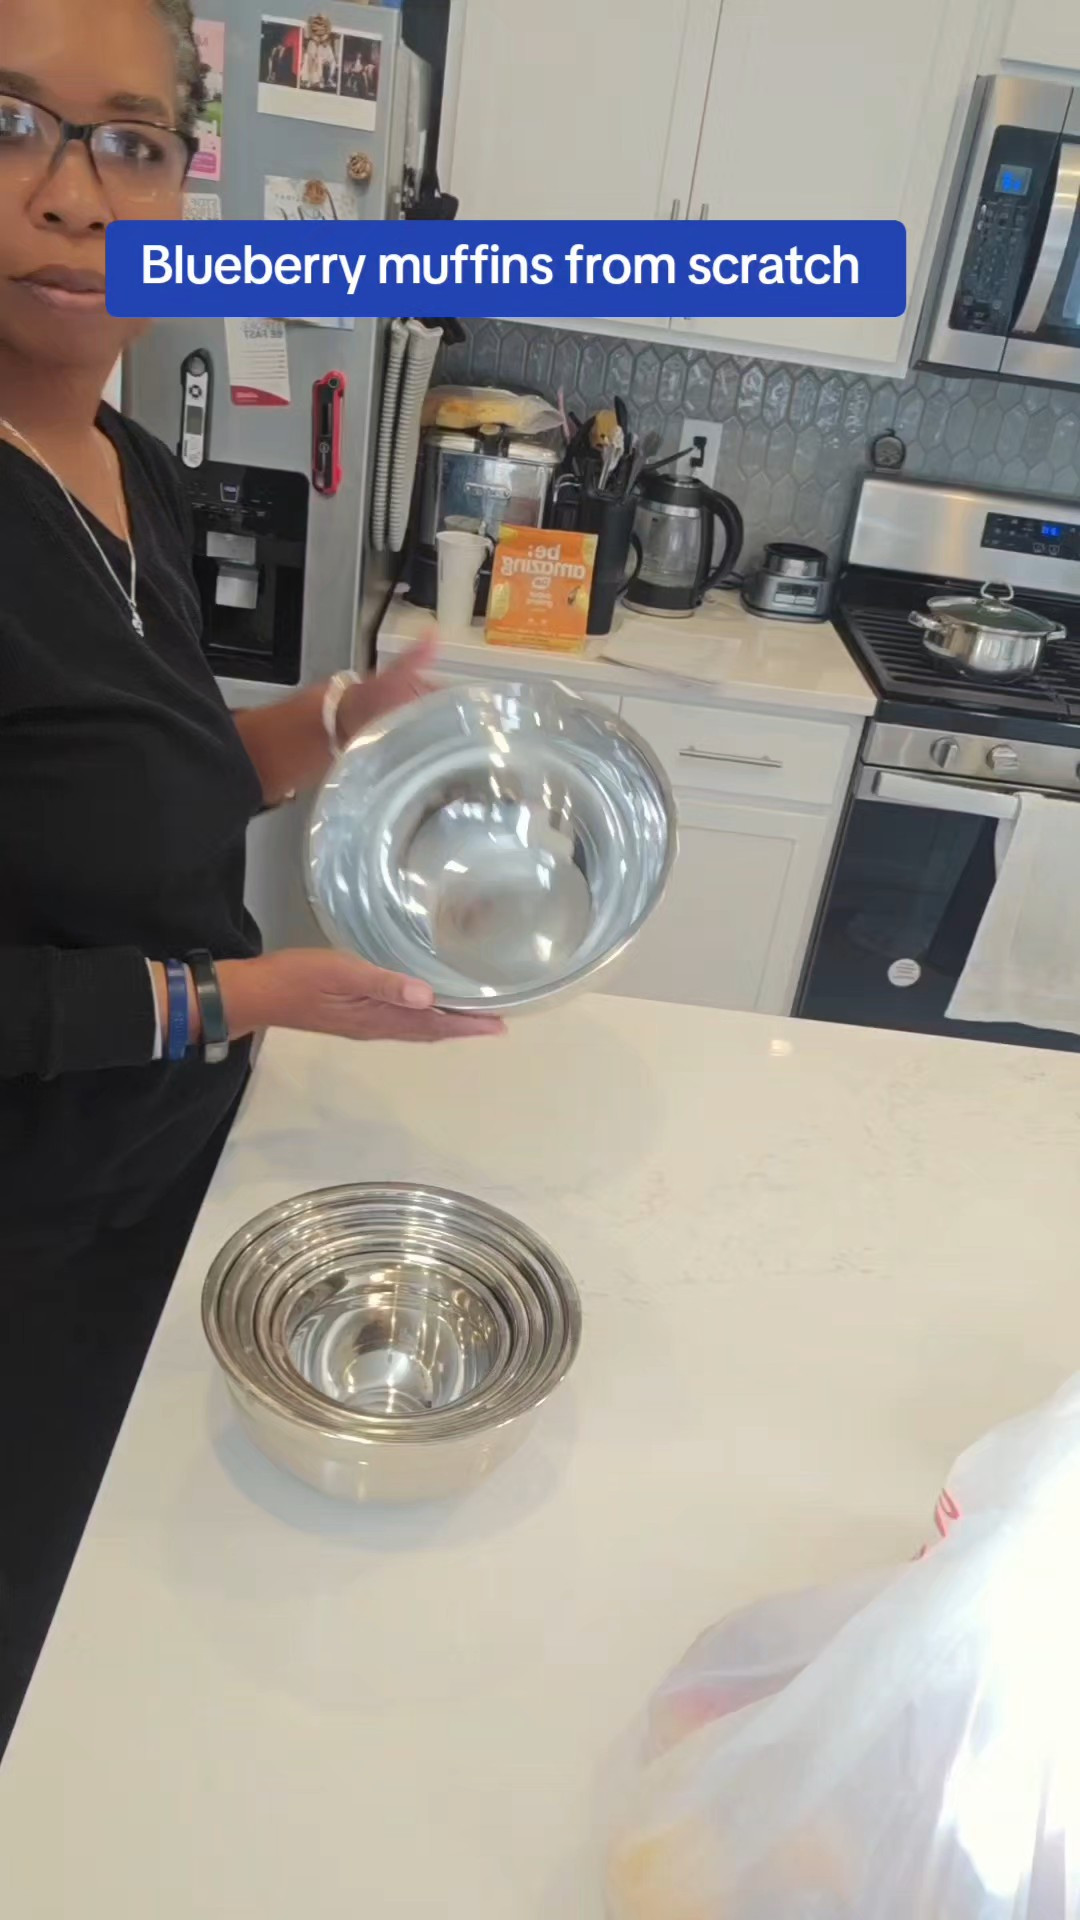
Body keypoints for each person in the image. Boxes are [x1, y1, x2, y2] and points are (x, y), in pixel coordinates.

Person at [0, 0, 502, 1752]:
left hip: (159, 1161)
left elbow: (148, 779)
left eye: (132, 140)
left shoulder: (120, 460)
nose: (76, 196)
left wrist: (355, 720)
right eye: (13, 122)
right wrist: (242, 995)